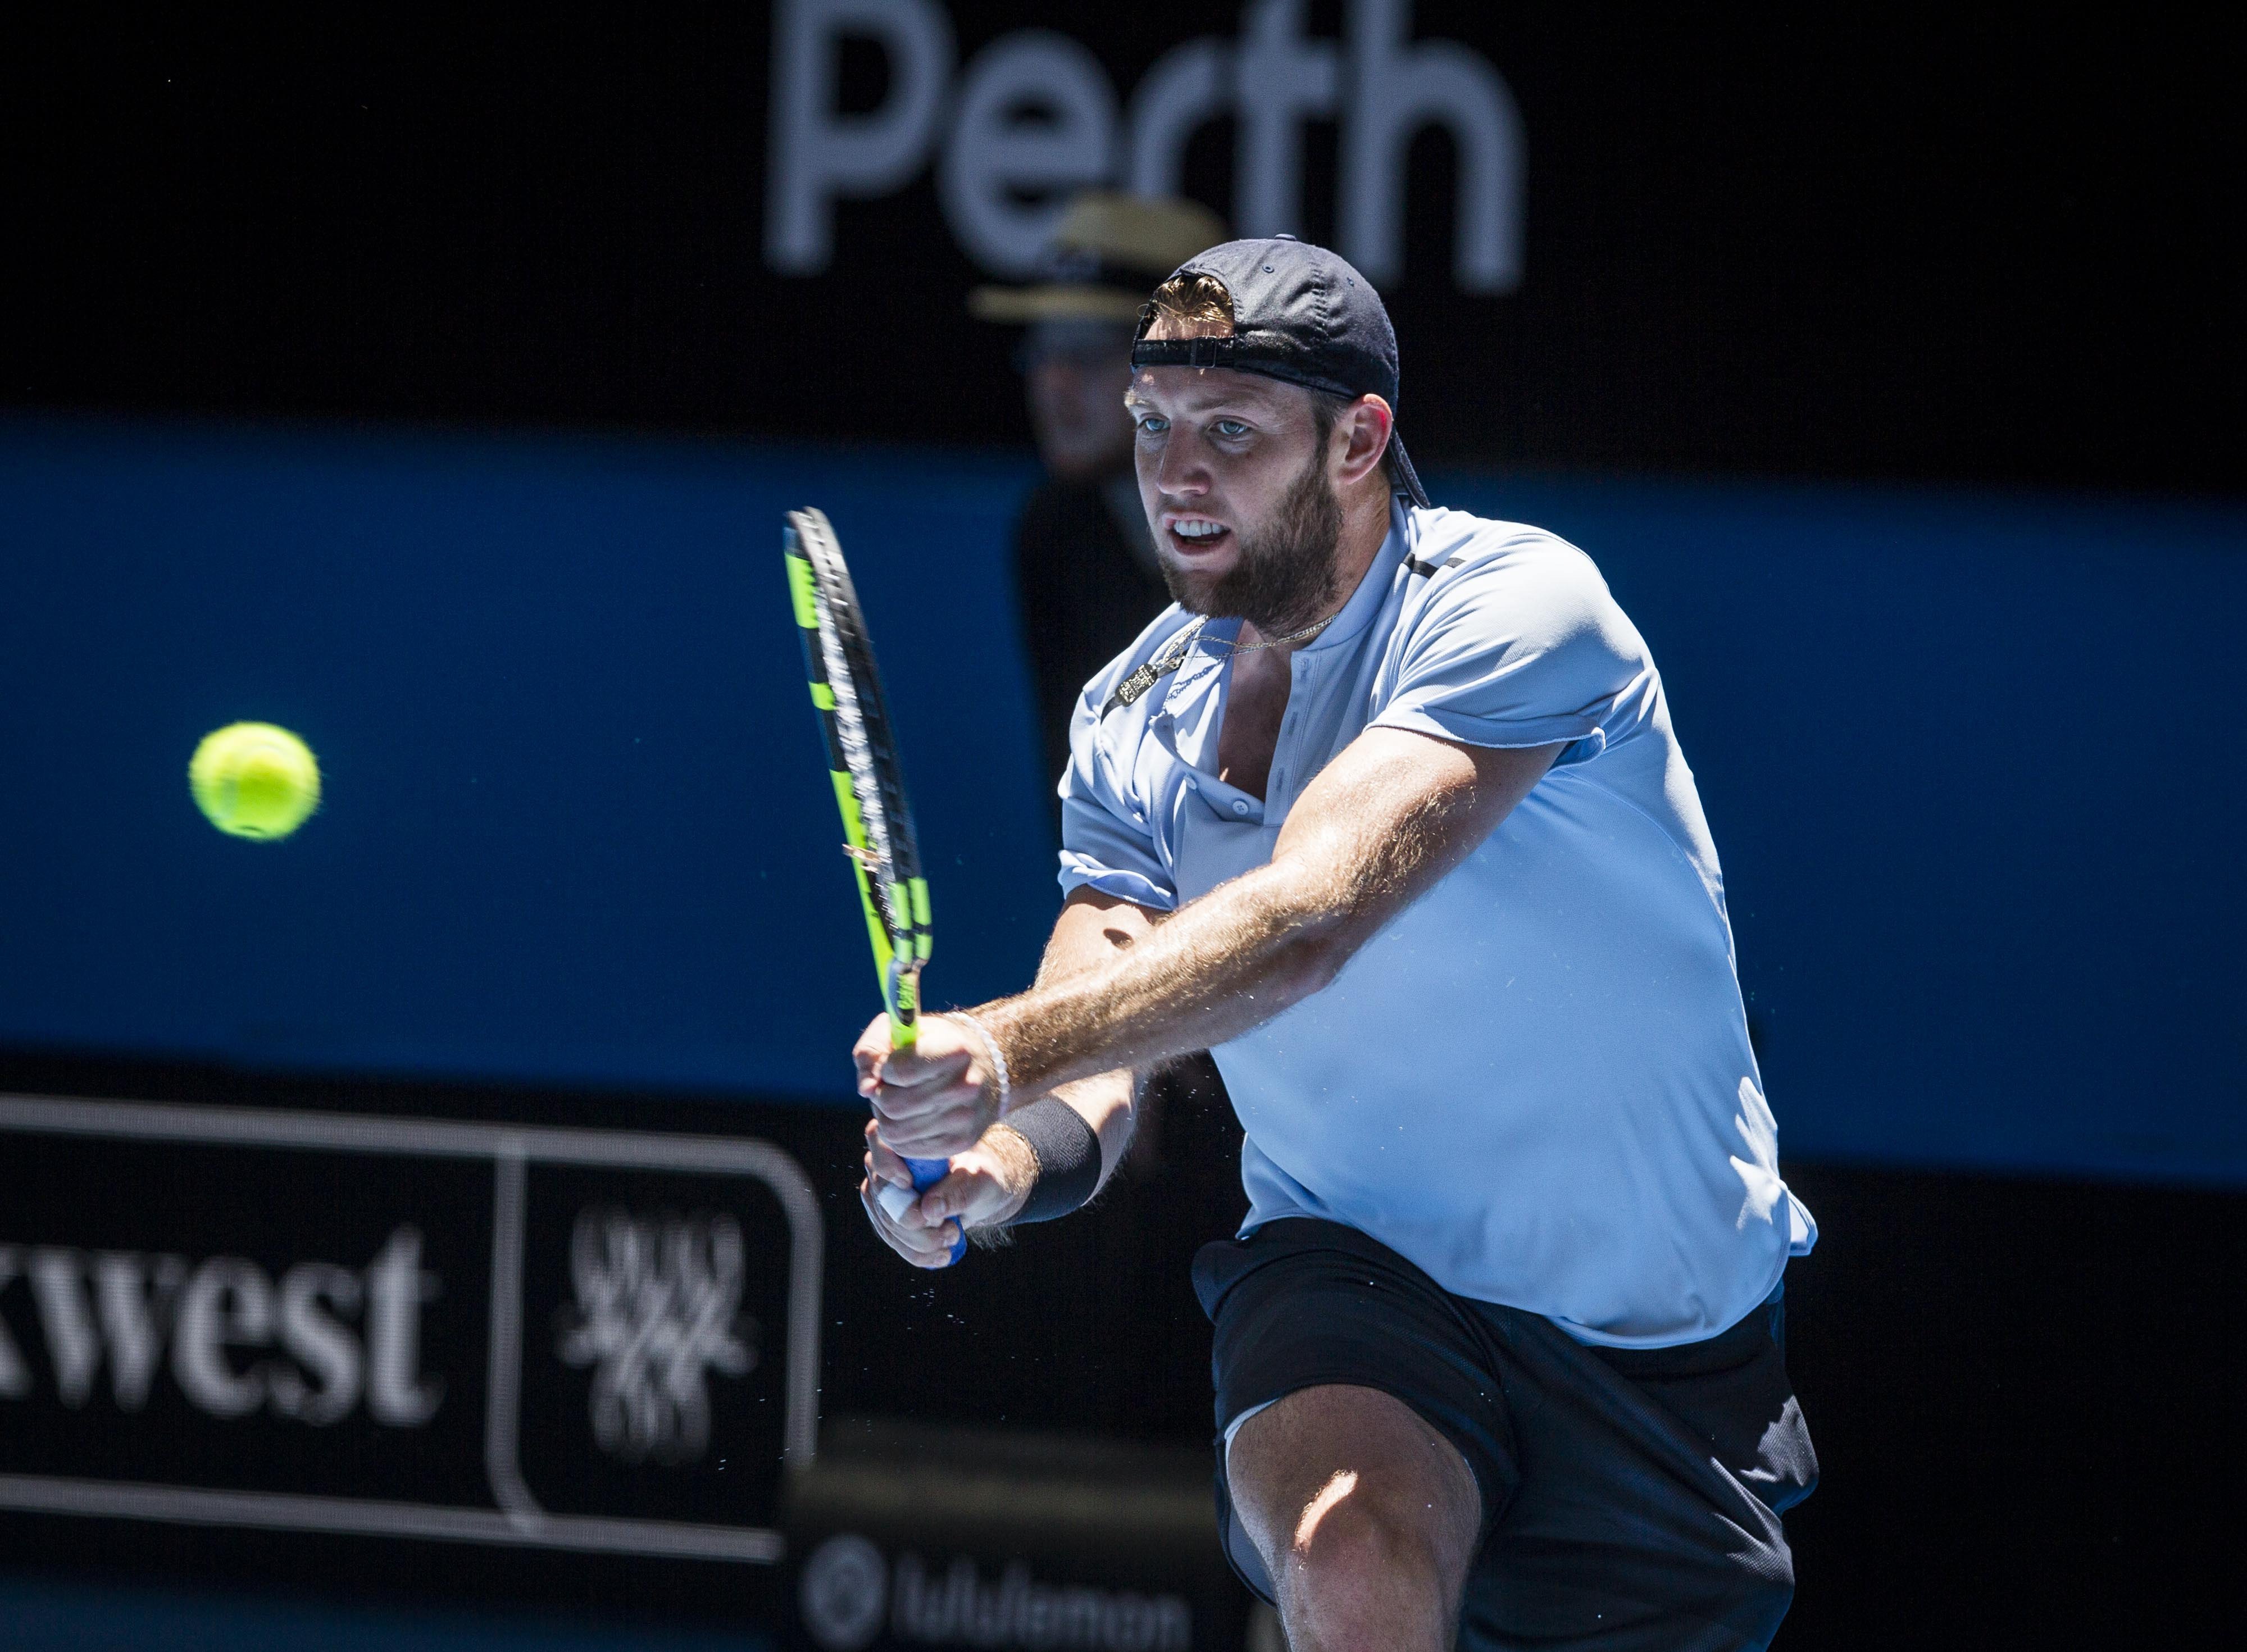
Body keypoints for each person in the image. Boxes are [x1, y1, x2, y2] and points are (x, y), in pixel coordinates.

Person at [858, 237, 1820, 1651]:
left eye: (1229, 430)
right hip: (1352, 1276)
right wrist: (988, 1160)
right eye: (1151, 426)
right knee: (1348, 1545)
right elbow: (1102, 1024)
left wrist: (994, 1048)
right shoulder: (1130, 718)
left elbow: (1311, 919)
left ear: (1359, 440)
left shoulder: (1515, 606)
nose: (1174, 472)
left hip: (1659, 1354)